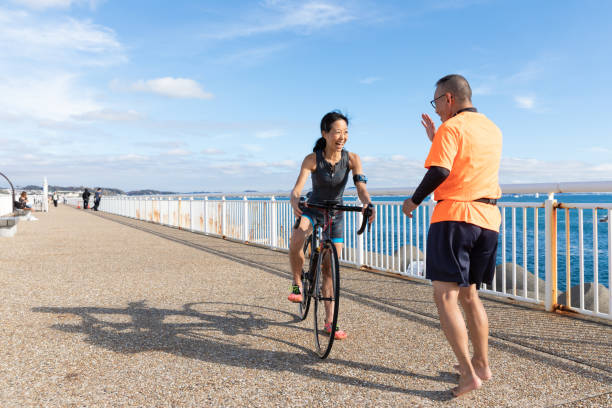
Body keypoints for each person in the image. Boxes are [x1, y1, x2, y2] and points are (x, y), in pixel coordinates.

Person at [402, 74, 502, 397]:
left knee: (445, 296)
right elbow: (464, 167)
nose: (438, 111)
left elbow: (442, 171)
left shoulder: (452, 128)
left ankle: (468, 375)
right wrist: (437, 139)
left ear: (448, 99)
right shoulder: (492, 129)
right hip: (487, 221)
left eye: (436, 103)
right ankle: (482, 364)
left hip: (454, 219)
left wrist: (413, 201)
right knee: (470, 295)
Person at [289, 111, 376, 340]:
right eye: (337, 132)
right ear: (325, 134)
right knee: (298, 237)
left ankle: (330, 322)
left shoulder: (352, 159)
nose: (342, 137)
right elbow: (298, 188)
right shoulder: (312, 159)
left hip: (336, 214)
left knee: (331, 270)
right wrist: (294, 198)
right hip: (313, 208)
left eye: (345, 132)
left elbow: (361, 188)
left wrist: (367, 203)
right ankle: (297, 283)